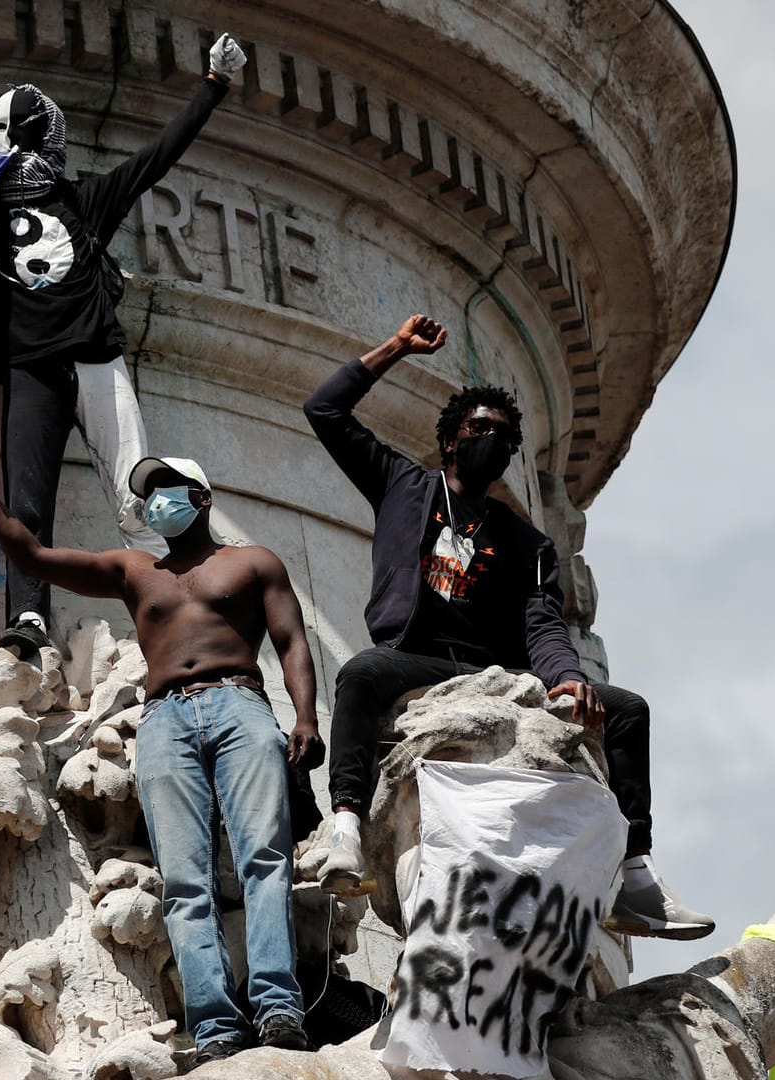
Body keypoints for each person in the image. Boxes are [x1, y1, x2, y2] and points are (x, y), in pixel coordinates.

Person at [302, 315, 715, 941]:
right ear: (450, 441)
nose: (490, 439)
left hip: (495, 671)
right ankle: (347, 827)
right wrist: (395, 350)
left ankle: (634, 873)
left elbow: (544, 623)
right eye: (478, 428)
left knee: (628, 710)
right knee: (361, 673)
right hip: (416, 656)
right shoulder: (403, 485)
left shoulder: (528, 542)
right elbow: (324, 410)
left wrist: (570, 679)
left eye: (502, 434)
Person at [0, 434, 321, 1063]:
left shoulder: (253, 562)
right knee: (184, 880)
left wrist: (305, 717)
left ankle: (279, 1006)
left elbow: (292, 642)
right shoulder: (134, 569)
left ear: (200, 498)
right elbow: (31, 554)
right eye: (147, 494)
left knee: (264, 858)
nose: (154, 503)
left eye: (165, 490)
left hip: (240, 704)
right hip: (165, 719)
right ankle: (214, 1028)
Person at [0, 34, 250, 657]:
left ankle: (170, 600)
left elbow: (156, 159)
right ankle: (30, 616)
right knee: (34, 497)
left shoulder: (72, 202)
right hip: (40, 367)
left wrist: (214, 89)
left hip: (86, 360)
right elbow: (156, 158)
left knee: (137, 485)